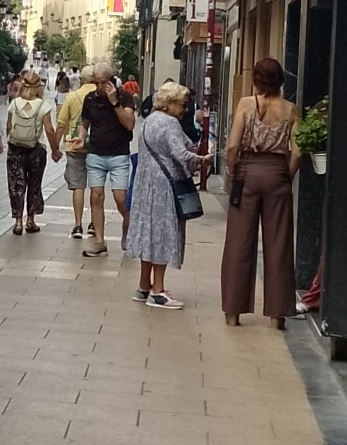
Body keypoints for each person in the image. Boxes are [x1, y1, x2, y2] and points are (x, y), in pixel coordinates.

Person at [221, 57, 299, 329]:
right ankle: (277, 316)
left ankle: (233, 312)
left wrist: (232, 172)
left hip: (247, 171)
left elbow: (233, 146)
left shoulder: (246, 103)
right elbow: (297, 152)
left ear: (256, 79)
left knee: (239, 242)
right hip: (277, 173)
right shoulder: (291, 109)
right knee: (279, 243)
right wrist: (286, 175)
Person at [126, 82, 211, 309]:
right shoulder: (171, 123)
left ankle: (144, 286)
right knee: (162, 234)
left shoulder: (149, 120)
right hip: (164, 185)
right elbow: (181, 153)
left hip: (145, 183)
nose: (185, 109)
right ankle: (158, 291)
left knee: (148, 232)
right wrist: (201, 161)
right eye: (182, 104)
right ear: (170, 103)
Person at [72, 61, 135, 257]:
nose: (99, 87)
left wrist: (114, 102)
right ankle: (99, 241)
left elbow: (130, 124)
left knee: (120, 198)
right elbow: (85, 123)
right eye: (96, 82)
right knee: (96, 196)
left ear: (112, 80)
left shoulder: (124, 97)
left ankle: (128, 226)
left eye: (103, 82)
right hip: (96, 153)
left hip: (118, 154)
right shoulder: (90, 99)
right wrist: (81, 136)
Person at [6, 70, 59, 234]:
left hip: (15, 148)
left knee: (16, 185)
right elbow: (49, 129)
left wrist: (11, 138)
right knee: (34, 184)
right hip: (36, 149)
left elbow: (8, 125)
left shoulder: (15, 103)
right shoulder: (43, 105)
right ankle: (30, 220)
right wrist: (55, 150)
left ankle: (18, 222)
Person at [54, 65, 96, 239]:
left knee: (78, 187)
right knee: (96, 186)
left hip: (74, 145)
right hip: (97, 145)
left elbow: (61, 124)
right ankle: (94, 223)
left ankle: (78, 225)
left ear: (81, 80)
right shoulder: (101, 96)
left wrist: (55, 147)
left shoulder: (72, 96)